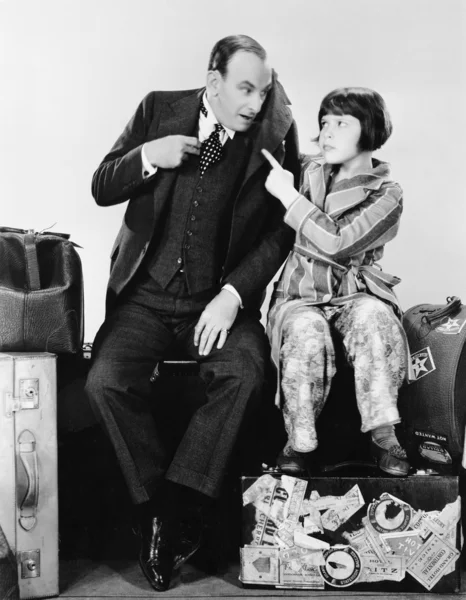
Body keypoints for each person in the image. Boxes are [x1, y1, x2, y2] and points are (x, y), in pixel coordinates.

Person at [85, 34, 300, 591]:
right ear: (213, 81)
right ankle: (155, 506)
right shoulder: (158, 108)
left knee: (248, 371)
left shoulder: (277, 132)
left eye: (264, 89)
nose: (257, 102)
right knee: (105, 381)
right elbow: (102, 184)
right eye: (245, 89)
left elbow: (282, 228)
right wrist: (147, 157)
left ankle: (179, 503)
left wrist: (235, 295)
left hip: (217, 302)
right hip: (146, 299)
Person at [262, 87, 411, 478]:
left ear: (370, 129)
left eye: (341, 123)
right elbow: (270, 134)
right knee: (306, 330)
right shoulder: (307, 170)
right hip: (299, 296)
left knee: (374, 318)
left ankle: (384, 435)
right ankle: (298, 443)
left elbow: (339, 241)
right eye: (324, 122)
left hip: (355, 294)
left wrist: (290, 200)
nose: (327, 132)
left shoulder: (388, 194)